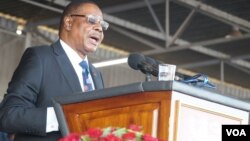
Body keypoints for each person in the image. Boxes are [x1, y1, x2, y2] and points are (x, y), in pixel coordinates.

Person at [0, 1, 107, 141]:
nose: (99, 28)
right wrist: (63, 117)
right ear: (68, 22)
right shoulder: (40, 58)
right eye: (92, 20)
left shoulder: (96, 75)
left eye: (103, 25)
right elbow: (9, 115)